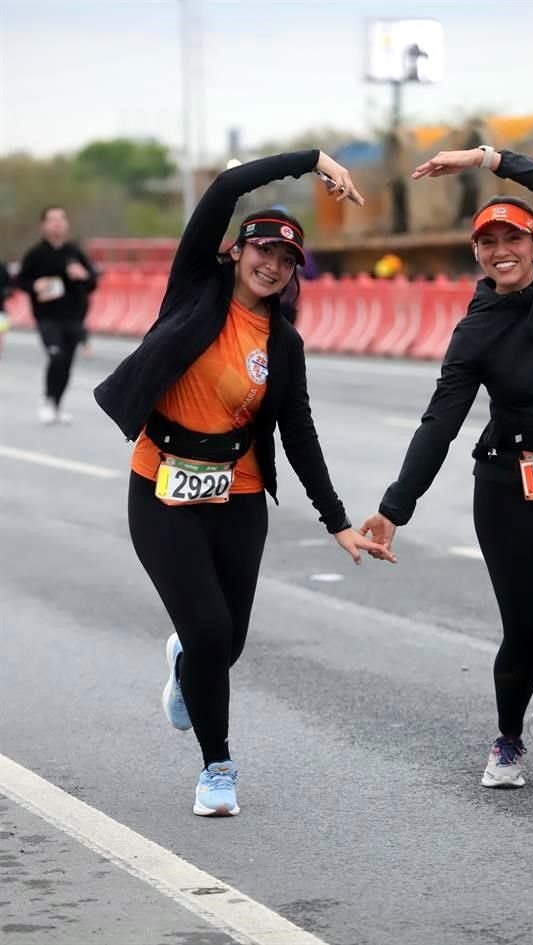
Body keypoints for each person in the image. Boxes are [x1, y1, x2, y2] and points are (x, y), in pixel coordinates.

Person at [94, 149, 396, 818]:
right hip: (163, 485)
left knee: (224, 643)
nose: (274, 264)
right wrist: (314, 159)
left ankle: (184, 666)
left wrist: (337, 520)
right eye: (264, 249)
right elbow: (228, 185)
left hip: (239, 494)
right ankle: (217, 767)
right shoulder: (194, 286)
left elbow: (300, 434)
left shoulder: (282, 343)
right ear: (237, 251)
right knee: (206, 631)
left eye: (287, 261)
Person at [361, 146, 533, 789]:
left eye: (513, 236)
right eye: (488, 241)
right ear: (476, 254)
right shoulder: (473, 332)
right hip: (508, 484)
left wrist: (485, 158)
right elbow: (439, 423)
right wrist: (396, 506)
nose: (501, 248)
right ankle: (508, 742)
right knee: (527, 626)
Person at [17, 206, 98, 423]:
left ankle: (57, 404)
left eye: (61, 219)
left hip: (74, 317)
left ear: (67, 223)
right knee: (56, 355)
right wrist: (36, 284)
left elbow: (93, 282)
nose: (57, 223)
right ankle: (48, 399)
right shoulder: (35, 254)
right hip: (47, 317)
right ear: (43, 225)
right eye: (52, 219)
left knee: (67, 362)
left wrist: (83, 275)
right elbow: (20, 281)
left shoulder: (75, 252)